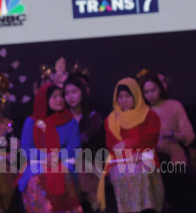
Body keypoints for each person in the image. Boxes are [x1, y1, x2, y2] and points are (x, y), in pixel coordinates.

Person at [97, 78, 164, 213]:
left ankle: (147, 209)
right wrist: (129, 156)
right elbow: (113, 146)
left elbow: (150, 139)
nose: (124, 101)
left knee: (142, 170)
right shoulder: (111, 120)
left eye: (128, 96)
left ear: (136, 95)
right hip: (120, 160)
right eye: (120, 97)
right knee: (123, 172)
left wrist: (129, 143)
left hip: (145, 155)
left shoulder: (149, 115)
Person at [18, 84, 82, 213]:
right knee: (36, 178)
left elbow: (74, 146)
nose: (59, 99)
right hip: (37, 162)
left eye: (61, 96)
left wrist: (57, 157)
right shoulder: (32, 122)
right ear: (44, 99)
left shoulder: (70, 121)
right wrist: (44, 157)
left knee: (64, 174)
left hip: (63, 161)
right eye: (54, 97)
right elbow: (26, 148)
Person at [138, 70, 195, 211]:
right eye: (146, 92)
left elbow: (189, 135)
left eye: (153, 90)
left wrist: (169, 134)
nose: (150, 95)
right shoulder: (141, 112)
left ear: (160, 89)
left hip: (173, 158)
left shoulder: (174, 106)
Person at [63, 74, 103, 213]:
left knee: (82, 166)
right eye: (67, 93)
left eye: (74, 92)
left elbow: (90, 144)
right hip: (66, 161)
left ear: (82, 92)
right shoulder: (62, 119)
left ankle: (94, 203)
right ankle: (93, 202)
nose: (70, 97)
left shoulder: (93, 117)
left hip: (92, 161)